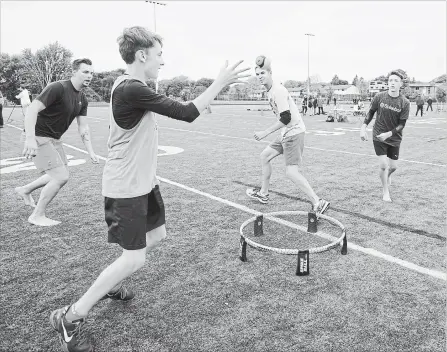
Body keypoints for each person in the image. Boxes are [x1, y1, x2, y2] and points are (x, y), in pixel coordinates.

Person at [48, 26, 250, 352]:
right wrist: (219, 83)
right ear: (142, 55)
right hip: (125, 187)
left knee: (157, 236)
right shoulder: (130, 88)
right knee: (135, 258)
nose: (162, 61)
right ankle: (70, 317)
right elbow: (185, 113)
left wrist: (199, 100)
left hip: (143, 184)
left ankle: (111, 284)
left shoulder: (129, 85)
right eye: (158, 55)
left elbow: (176, 106)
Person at [15, 58, 99, 226]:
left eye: (91, 73)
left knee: (58, 173)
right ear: (74, 72)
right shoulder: (57, 88)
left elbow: (84, 129)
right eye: (85, 72)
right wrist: (30, 139)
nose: (89, 76)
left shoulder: (83, 98)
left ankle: (25, 190)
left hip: (54, 139)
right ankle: (37, 215)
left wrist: (91, 152)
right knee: (61, 177)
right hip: (38, 135)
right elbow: (32, 109)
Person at [246, 55, 330, 215]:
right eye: (257, 75)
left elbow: (286, 118)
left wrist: (265, 132)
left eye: (262, 73)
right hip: (286, 132)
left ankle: (318, 202)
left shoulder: (277, 90)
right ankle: (263, 194)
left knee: (291, 171)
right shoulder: (270, 91)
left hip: (293, 132)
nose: (259, 77)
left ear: (270, 73)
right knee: (265, 156)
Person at [360, 70, 410, 202]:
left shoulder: (405, 103)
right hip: (379, 136)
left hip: (394, 138)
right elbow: (370, 113)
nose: (392, 83)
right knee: (383, 166)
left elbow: (401, 125)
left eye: (396, 81)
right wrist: (363, 127)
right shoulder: (379, 97)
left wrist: (389, 134)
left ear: (401, 84)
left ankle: (387, 176)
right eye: (390, 80)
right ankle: (385, 191)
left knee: (393, 167)